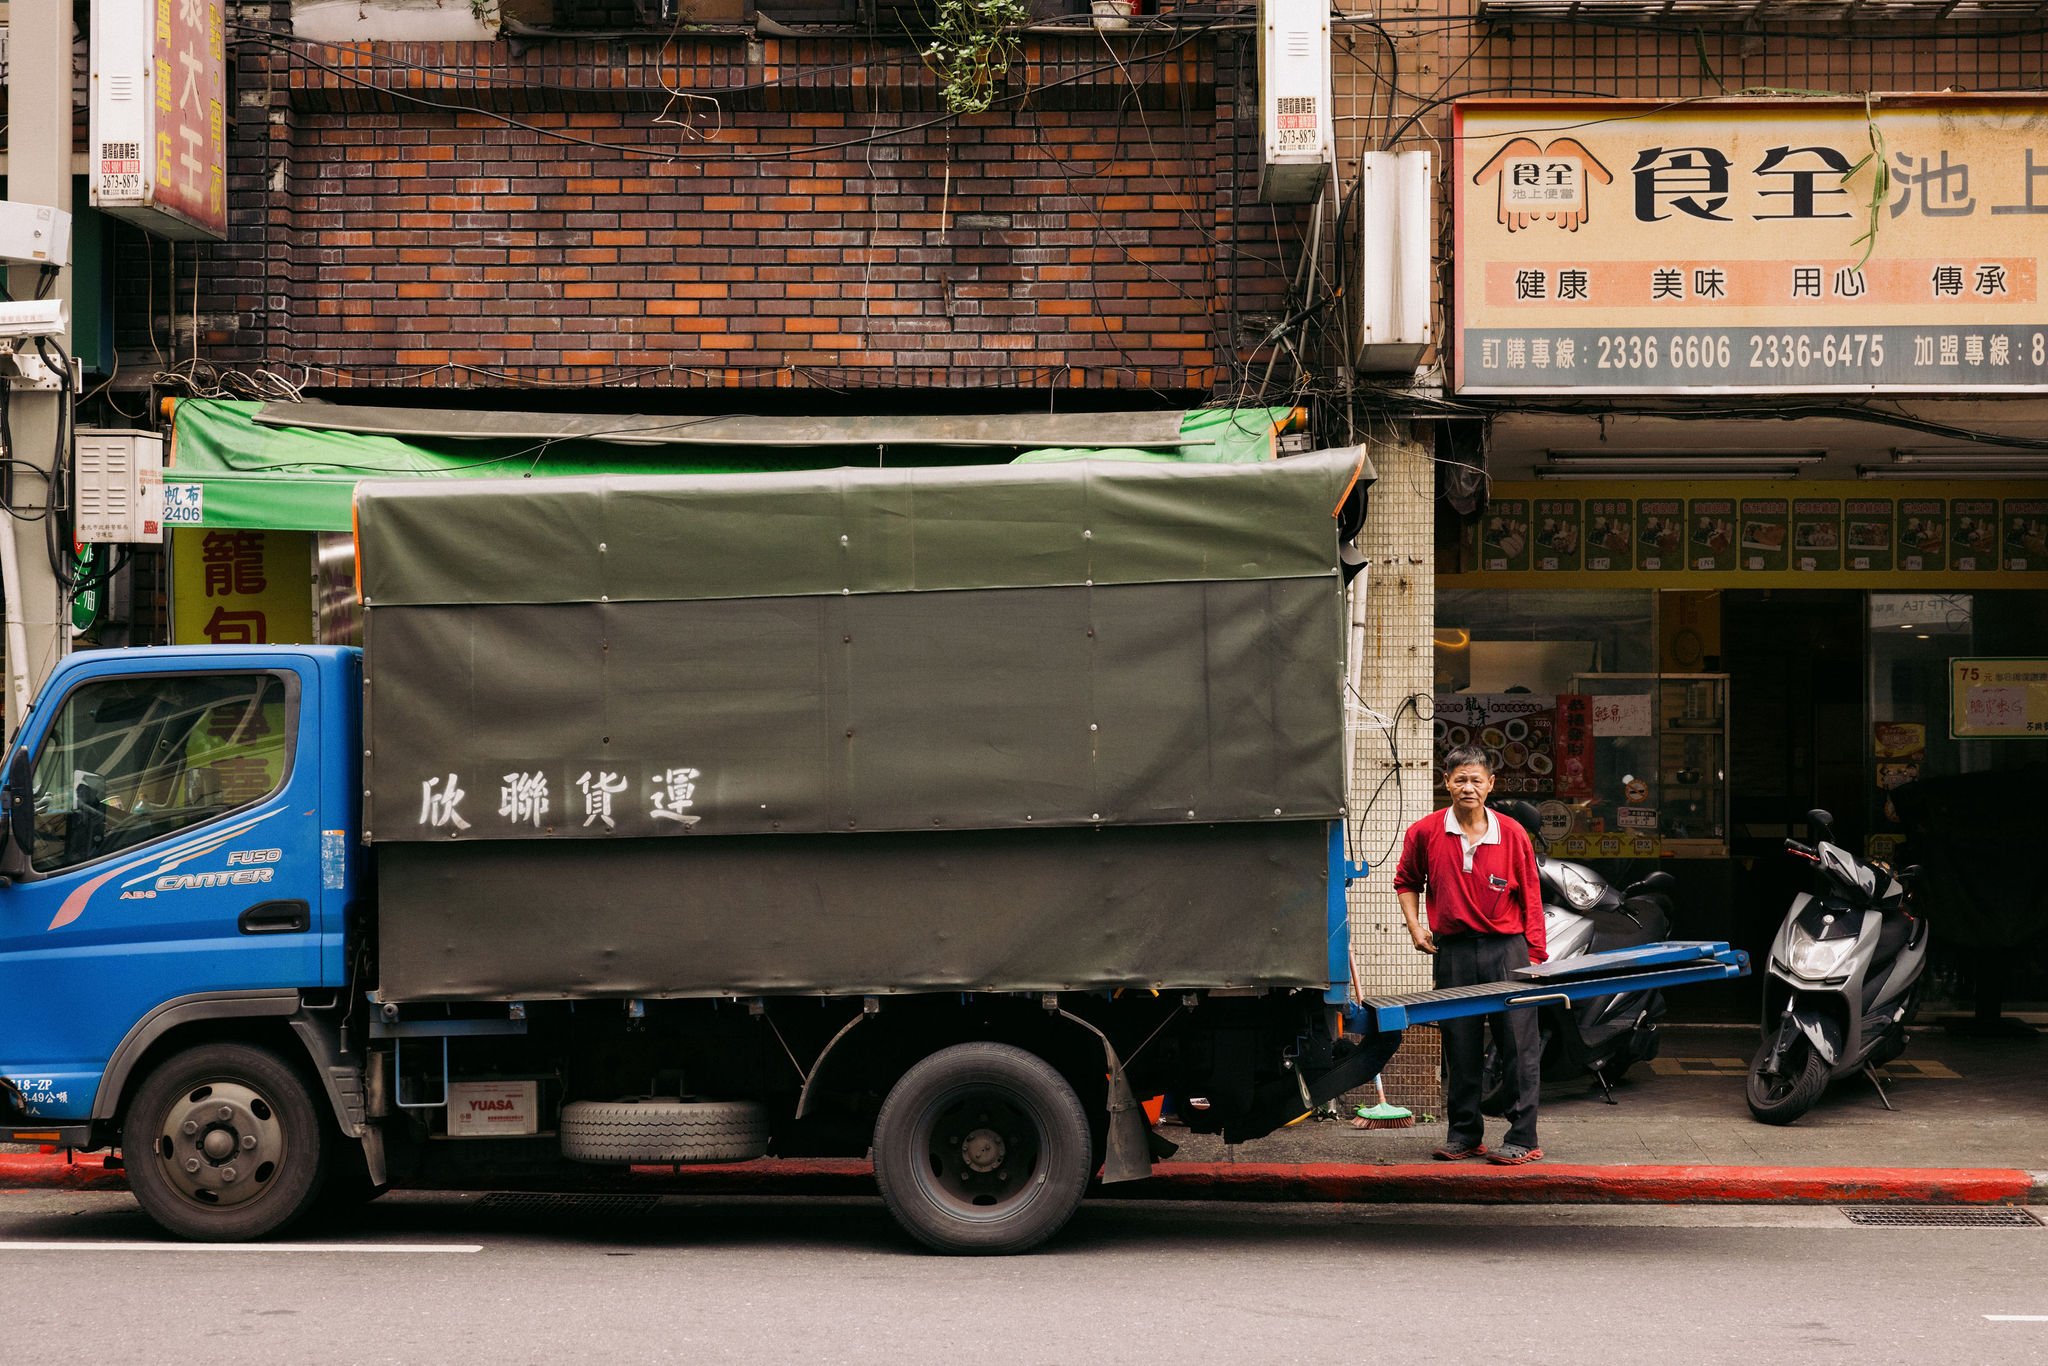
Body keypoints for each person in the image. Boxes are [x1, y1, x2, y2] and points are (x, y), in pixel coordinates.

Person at [1393, 745, 1548, 1165]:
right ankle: (1464, 1133)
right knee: (1459, 1045)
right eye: (1460, 779)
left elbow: (1532, 898)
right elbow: (1406, 881)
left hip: (1507, 952)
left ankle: (1522, 1136)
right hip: (1454, 952)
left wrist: (1535, 957)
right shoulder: (1424, 832)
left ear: (1490, 784)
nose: (1468, 787)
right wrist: (1415, 926)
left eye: (1476, 779)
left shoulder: (1513, 833)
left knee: (1517, 1047)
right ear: (1446, 782)